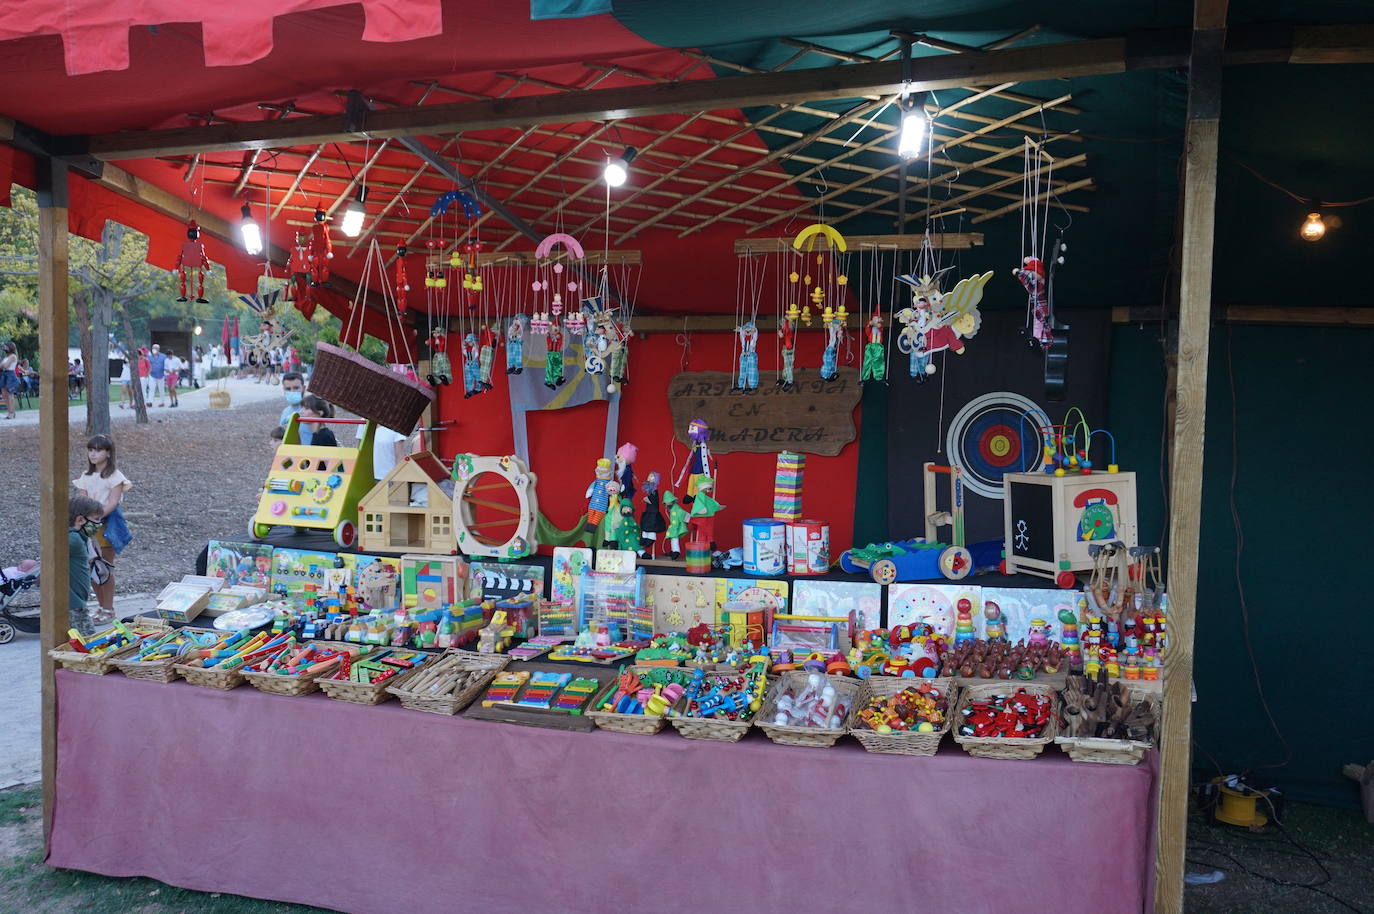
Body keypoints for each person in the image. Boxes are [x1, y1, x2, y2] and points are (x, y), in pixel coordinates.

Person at [73, 434, 133, 622]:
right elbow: (82, 498)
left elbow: (112, 503)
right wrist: (85, 520)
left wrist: (96, 518)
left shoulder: (115, 476)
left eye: (98, 450)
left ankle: (109, 609)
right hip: (87, 525)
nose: (93, 454)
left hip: (107, 525)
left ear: (108, 453)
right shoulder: (86, 475)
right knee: (91, 567)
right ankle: (100, 607)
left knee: (104, 567)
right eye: (90, 450)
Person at [68, 495, 106, 637]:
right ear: (80, 520)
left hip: (77, 602)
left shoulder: (79, 537)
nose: (99, 524)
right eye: (96, 519)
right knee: (88, 643)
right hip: (74, 604)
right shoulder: (73, 539)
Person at [274, 371, 305, 438]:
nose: (292, 391)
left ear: (303, 388)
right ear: (284, 390)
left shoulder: (310, 411)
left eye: (296, 388)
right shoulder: (285, 411)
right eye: (288, 389)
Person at [0, 342, 18, 418]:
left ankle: (12, 412)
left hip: (10, 375)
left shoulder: (13, 356)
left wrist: (2, 365)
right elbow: (1, 366)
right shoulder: (6, 357)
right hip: (4, 375)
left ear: (10, 347)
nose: (4, 348)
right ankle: (9, 411)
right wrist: (2, 365)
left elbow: (5, 366)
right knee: (4, 394)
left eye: (6, 346)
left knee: (10, 394)